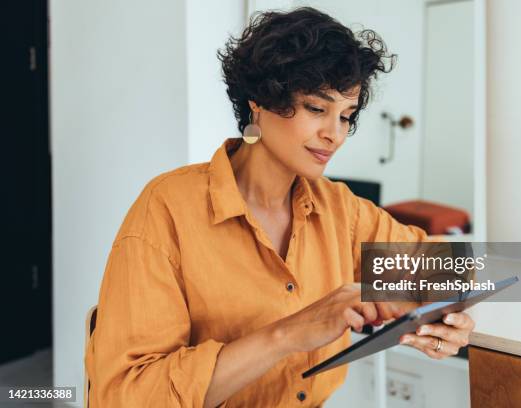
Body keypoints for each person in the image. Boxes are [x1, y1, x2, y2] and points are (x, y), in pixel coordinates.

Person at [85, 7, 475, 408]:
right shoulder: (166, 210)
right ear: (259, 101)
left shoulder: (341, 210)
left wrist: (445, 314)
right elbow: (127, 396)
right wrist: (289, 332)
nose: (334, 134)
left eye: (346, 116)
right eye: (316, 109)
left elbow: (448, 268)